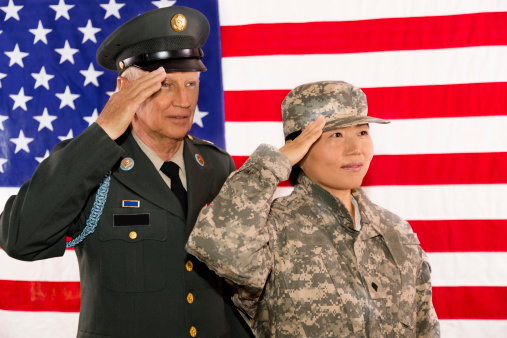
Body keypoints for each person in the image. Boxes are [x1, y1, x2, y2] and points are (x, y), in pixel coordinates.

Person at [0, 6, 252, 338]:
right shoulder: (91, 164)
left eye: (191, 83)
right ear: (125, 88)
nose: (184, 100)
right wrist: (103, 132)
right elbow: (20, 239)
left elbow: (229, 290)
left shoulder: (217, 165)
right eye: (164, 85)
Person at [186, 81, 441, 337]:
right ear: (300, 148)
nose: (355, 150)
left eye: (362, 133)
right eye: (336, 135)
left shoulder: (394, 230)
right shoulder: (271, 229)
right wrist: (275, 162)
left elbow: (425, 328)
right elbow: (218, 246)